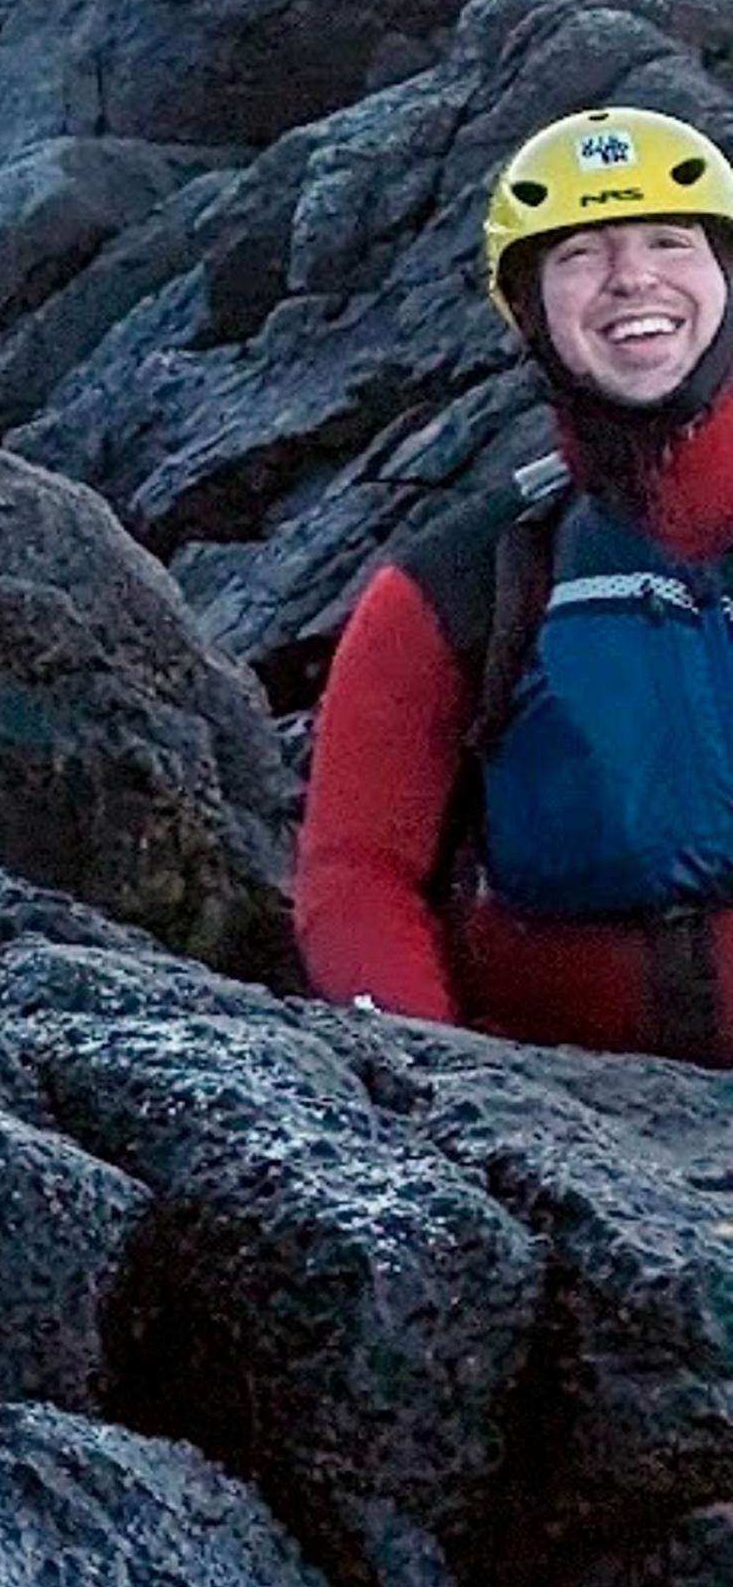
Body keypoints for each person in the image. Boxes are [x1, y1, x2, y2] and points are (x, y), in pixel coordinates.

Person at [296, 102, 733, 1057]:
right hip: (568, 1099)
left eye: (669, 240)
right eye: (579, 253)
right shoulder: (460, 580)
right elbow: (357, 871)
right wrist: (437, 1073)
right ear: (528, 309)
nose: (632, 277)